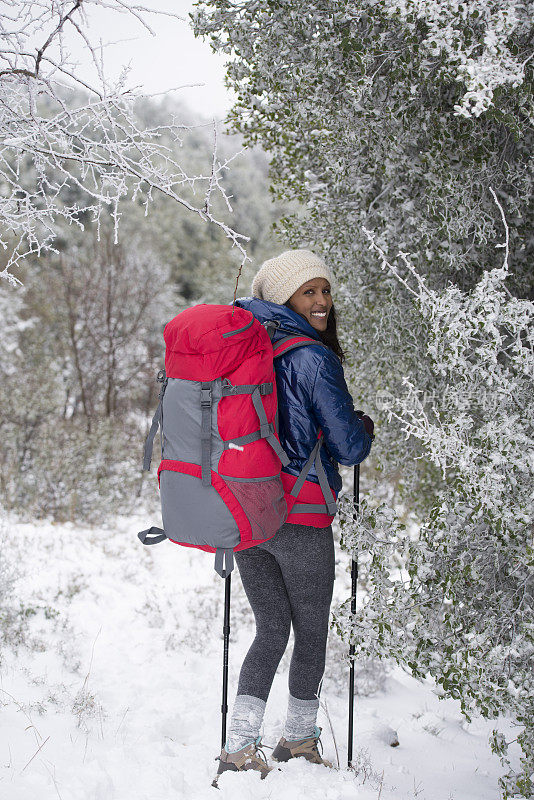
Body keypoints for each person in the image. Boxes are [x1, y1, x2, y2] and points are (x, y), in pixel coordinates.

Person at [214, 249, 374, 782]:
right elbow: (348, 447)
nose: (323, 300)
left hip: (247, 515)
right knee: (308, 633)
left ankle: (239, 748)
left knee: (269, 631)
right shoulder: (312, 357)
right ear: (285, 298)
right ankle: (298, 741)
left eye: (325, 289)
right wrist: (364, 428)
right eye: (310, 291)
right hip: (301, 517)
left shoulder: (244, 348)